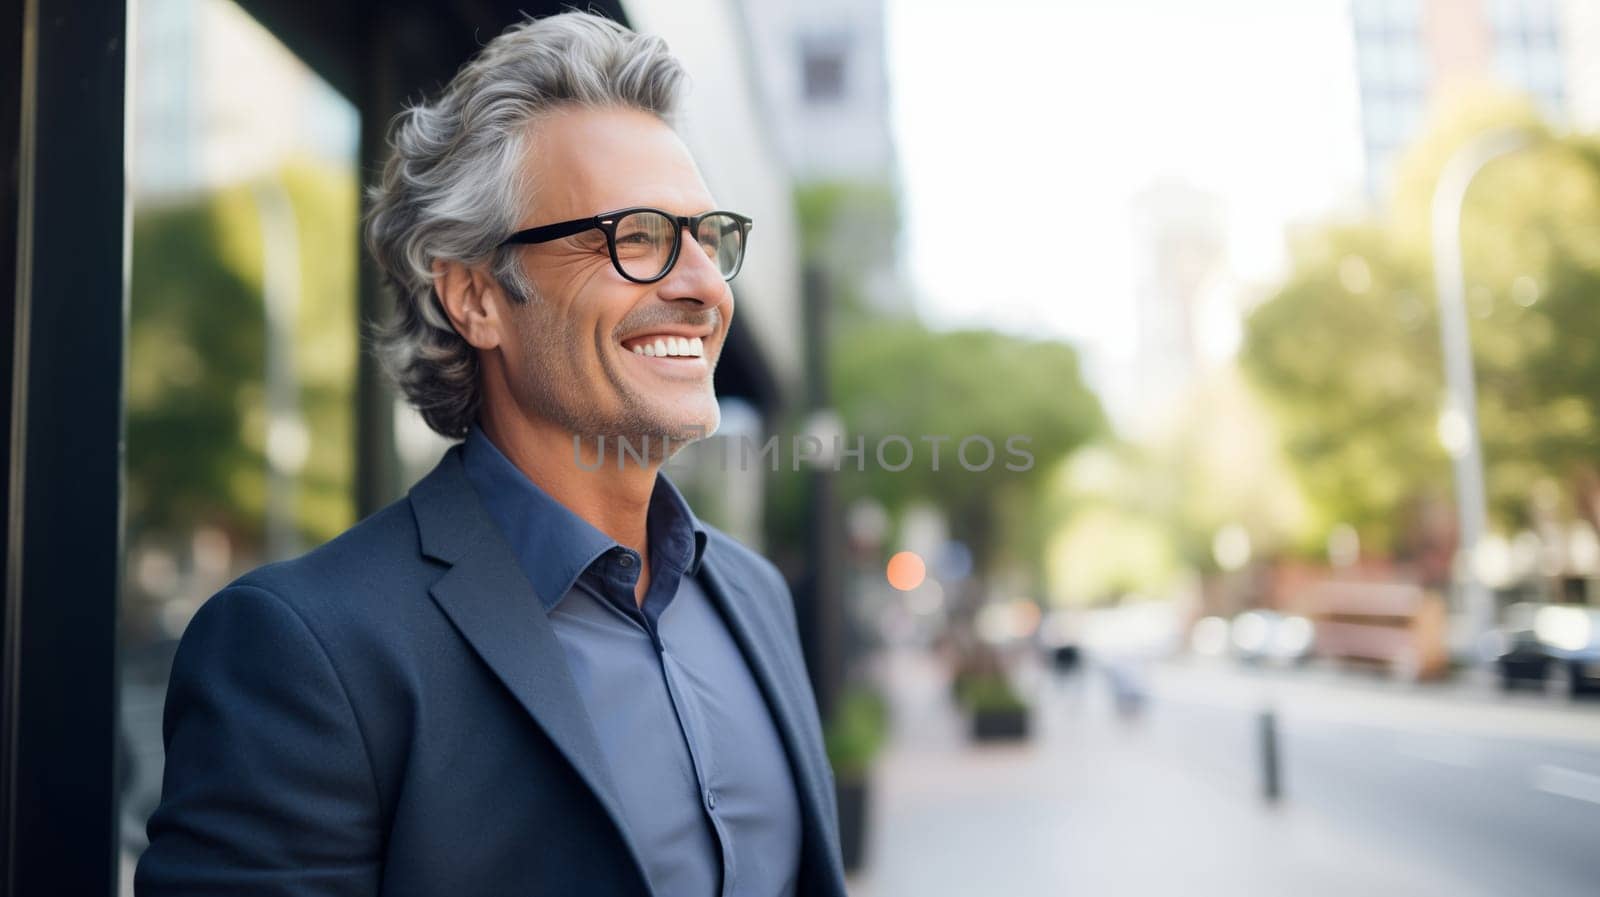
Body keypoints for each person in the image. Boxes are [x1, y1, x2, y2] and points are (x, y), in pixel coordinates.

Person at [135, 12, 846, 897]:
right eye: (636, 237)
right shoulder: (304, 650)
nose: (702, 284)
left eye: (708, 237)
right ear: (476, 296)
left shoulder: (754, 598)